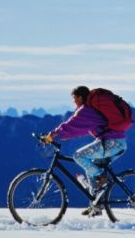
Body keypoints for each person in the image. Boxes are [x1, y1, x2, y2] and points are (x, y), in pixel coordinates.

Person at [44, 86, 128, 216]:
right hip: (116, 143)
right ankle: (96, 206)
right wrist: (62, 136)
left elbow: (70, 124)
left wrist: (51, 135)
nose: (73, 102)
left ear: (80, 97)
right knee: (90, 169)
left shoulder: (86, 110)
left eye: (74, 99)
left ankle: (102, 176)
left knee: (78, 156)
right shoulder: (91, 110)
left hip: (110, 143)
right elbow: (78, 129)